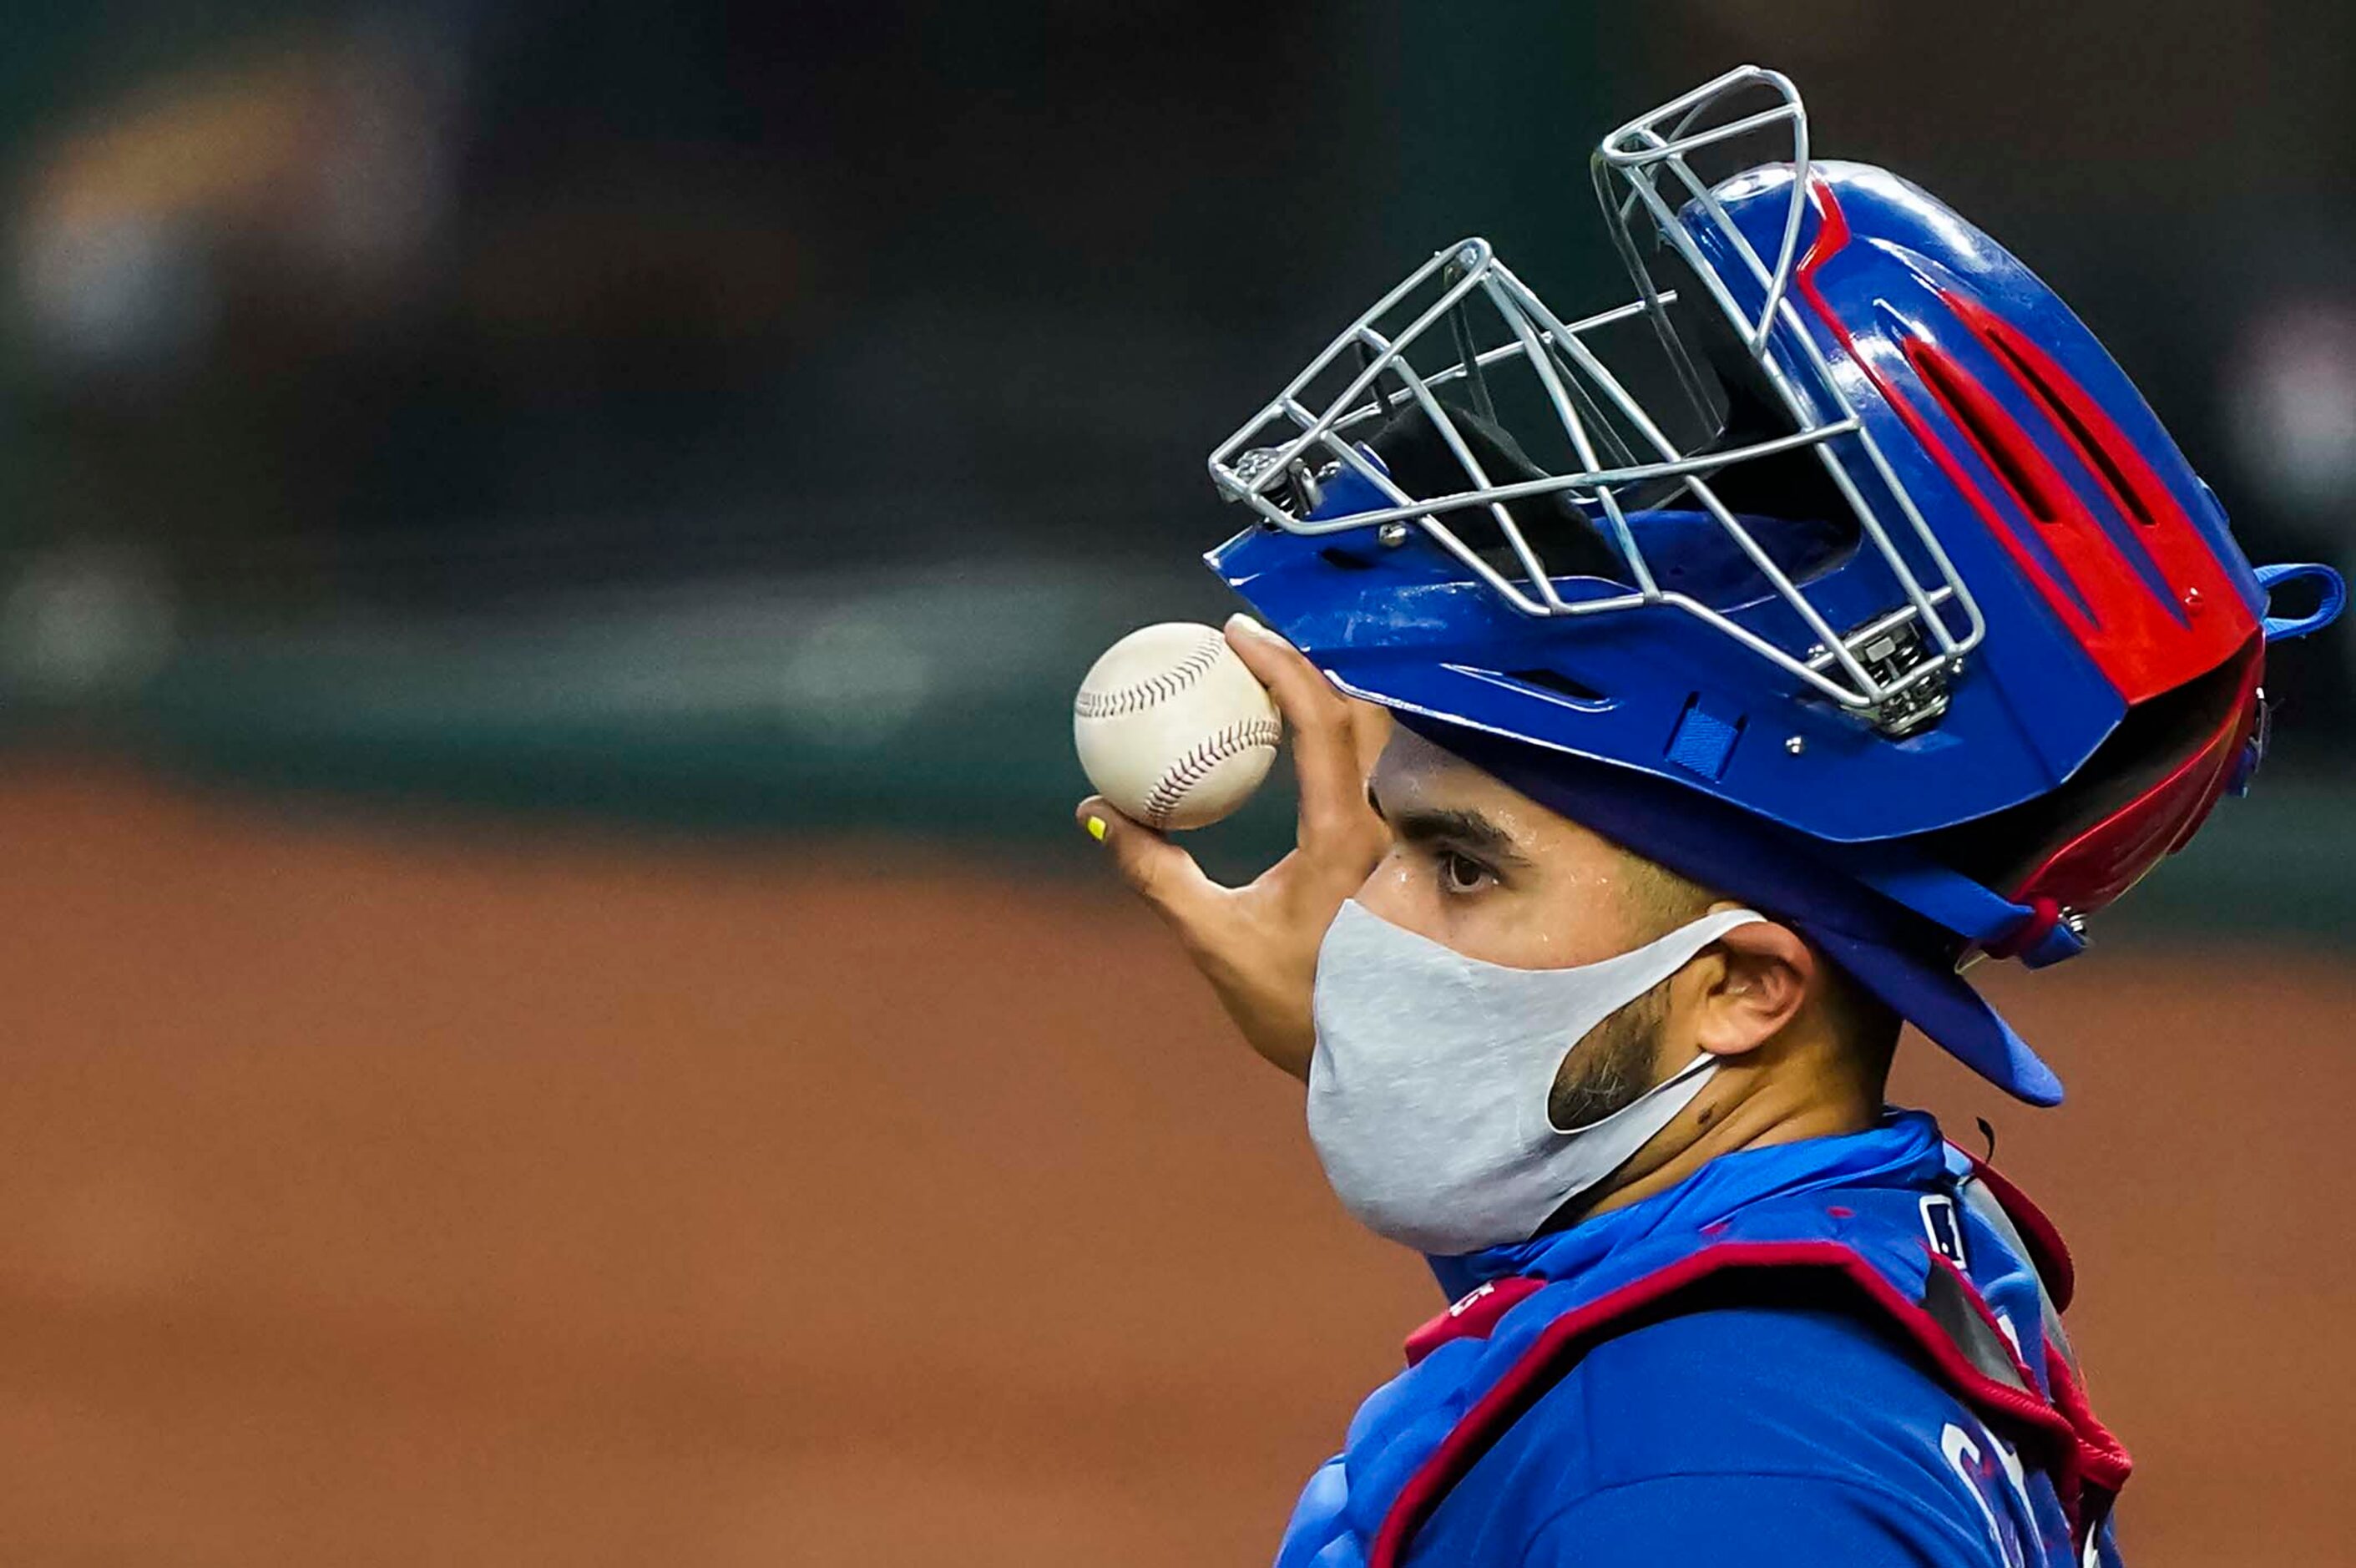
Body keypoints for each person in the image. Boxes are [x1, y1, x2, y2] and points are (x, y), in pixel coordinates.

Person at [1076, 67, 2340, 1568]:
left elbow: (1636, 1451)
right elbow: (1597, 1333)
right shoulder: (1858, 1267)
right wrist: (1375, 1038)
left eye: (1459, 866)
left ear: (1741, 987)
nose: (1358, 912)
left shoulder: (1696, 1482)